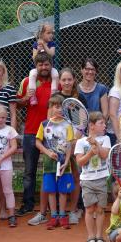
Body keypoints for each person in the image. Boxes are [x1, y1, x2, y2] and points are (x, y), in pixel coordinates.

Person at [18, 52, 53, 221]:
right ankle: (28, 204)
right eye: (41, 65)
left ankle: (55, 205)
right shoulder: (26, 81)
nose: (44, 67)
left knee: (52, 169)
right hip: (31, 130)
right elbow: (19, 104)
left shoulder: (57, 82)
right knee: (29, 171)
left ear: (50, 65)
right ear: (36, 66)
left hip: (52, 132)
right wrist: (26, 97)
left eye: (46, 64)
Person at [37, 95, 75, 229]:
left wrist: (67, 161)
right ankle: (53, 216)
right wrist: (48, 153)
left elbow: (70, 144)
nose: (59, 110)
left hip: (65, 163)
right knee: (51, 191)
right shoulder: (44, 124)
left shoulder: (68, 125)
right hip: (49, 163)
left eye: (62, 107)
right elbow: (37, 142)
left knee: (63, 191)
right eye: (57, 107)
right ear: (51, 108)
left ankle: (63, 216)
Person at [75, 112, 112, 242]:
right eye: (101, 123)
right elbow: (80, 162)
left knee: (101, 209)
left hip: (102, 179)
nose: (104, 125)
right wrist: (90, 152)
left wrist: (96, 143)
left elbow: (104, 155)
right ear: (91, 125)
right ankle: (91, 237)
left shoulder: (106, 139)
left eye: (104, 123)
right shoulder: (80, 142)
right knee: (90, 209)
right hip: (87, 181)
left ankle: (99, 236)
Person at [55, 68, 85, 225]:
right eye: (63, 80)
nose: (66, 82)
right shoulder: (55, 98)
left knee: (75, 177)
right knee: (57, 177)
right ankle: (56, 213)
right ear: (59, 81)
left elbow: (82, 124)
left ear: (74, 80)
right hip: (58, 145)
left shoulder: (80, 98)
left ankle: (73, 210)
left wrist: (74, 141)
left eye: (69, 79)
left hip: (75, 143)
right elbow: (50, 120)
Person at [27, 23, 60, 105]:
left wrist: (45, 46)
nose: (51, 35)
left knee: (55, 74)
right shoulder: (35, 44)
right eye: (48, 33)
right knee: (32, 75)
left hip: (50, 68)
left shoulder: (51, 44)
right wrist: (38, 49)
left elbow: (51, 54)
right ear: (41, 34)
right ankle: (33, 96)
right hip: (38, 69)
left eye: (52, 33)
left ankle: (53, 94)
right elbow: (34, 58)